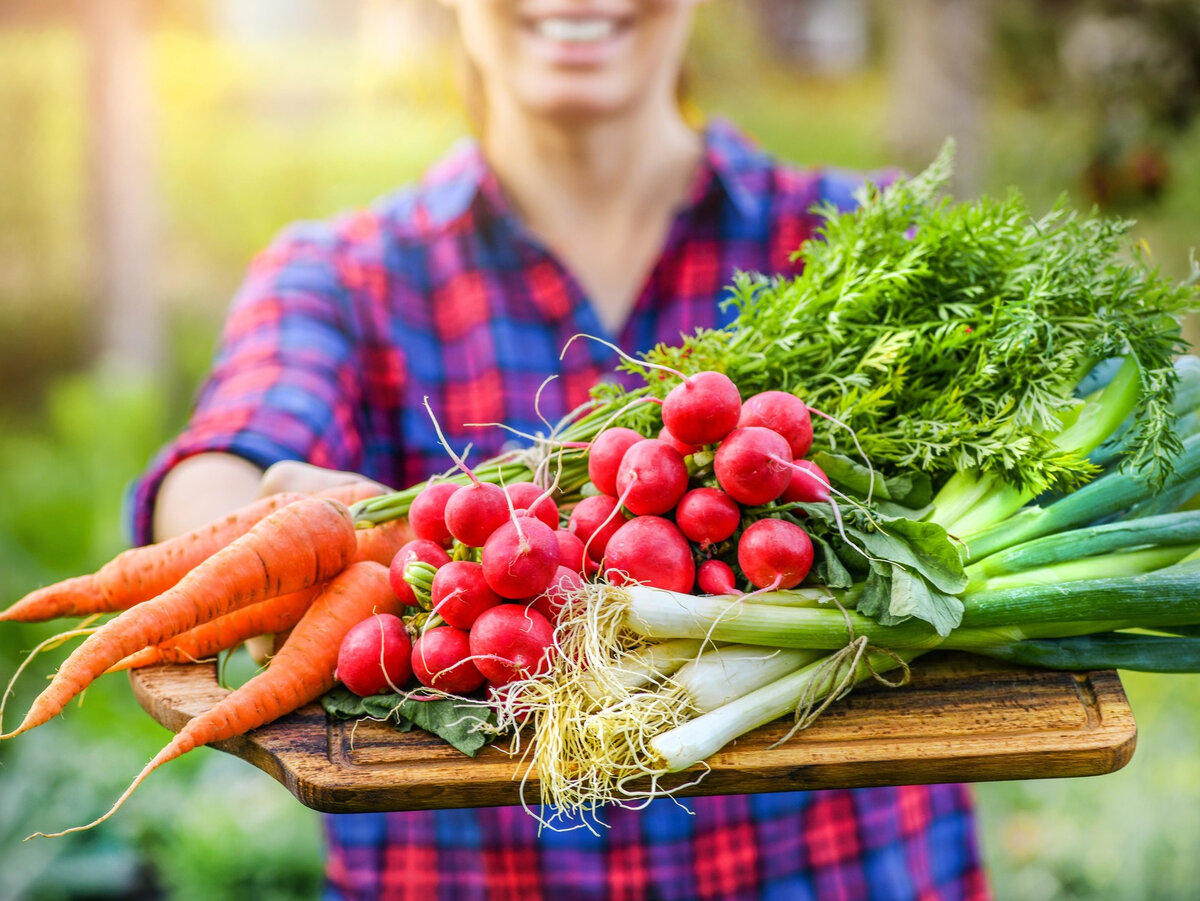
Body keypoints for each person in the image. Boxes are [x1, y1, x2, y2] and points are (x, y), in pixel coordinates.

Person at [130, 1, 991, 898]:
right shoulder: (343, 277)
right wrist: (247, 537)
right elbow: (229, 450)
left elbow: (1087, 447)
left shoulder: (868, 240)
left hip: (838, 873)